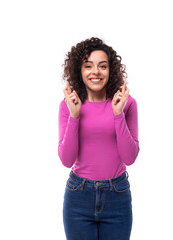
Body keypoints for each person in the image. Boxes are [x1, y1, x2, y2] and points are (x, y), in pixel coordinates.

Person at [58, 37, 140, 240]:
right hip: (78, 196)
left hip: (117, 196)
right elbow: (67, 160)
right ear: (80, 70)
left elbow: (129, 158)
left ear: (110, 70)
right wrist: (75, 115)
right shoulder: (68, 106)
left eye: (102, 66)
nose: (95, 72)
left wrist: (117, 114)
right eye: (88, 66)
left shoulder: (126, 104)